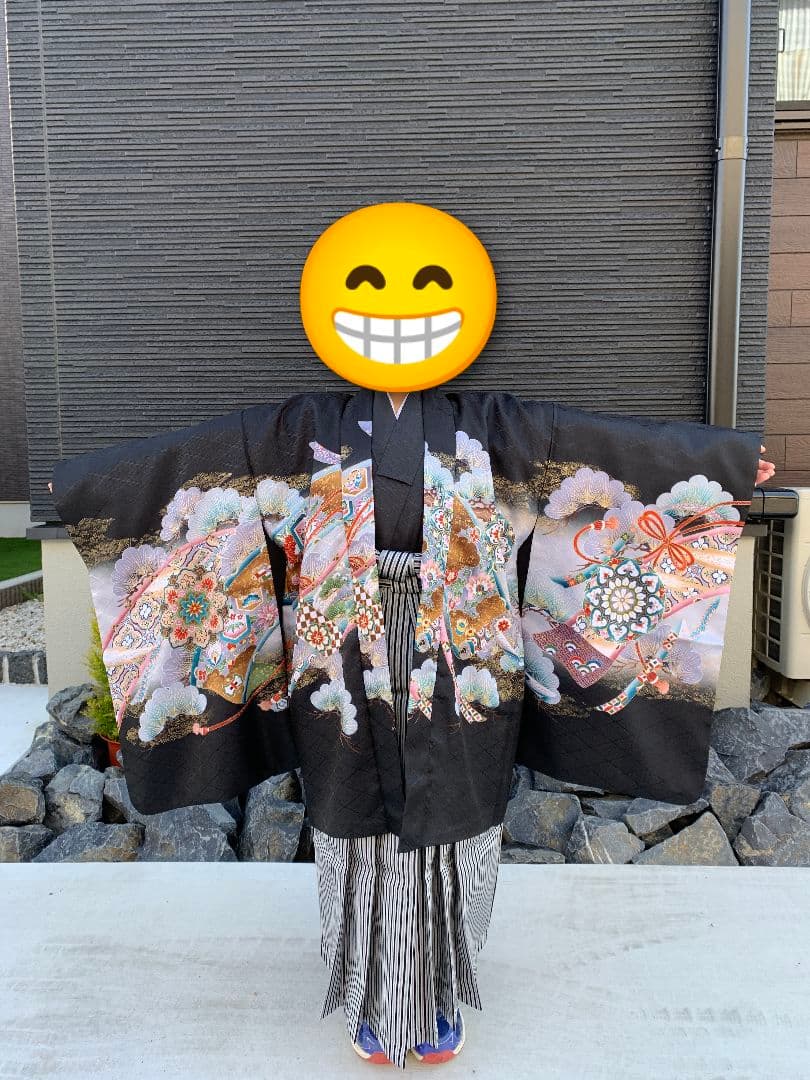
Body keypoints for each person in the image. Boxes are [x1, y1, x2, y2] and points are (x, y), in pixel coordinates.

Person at [50, 203, 775, 1068]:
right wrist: (91, 488)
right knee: (353, 827)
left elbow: (601, 447)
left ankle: (436, 997)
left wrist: (722, 468)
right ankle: (371, 996)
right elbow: (201, 460)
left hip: (459, 658)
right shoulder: (301, 428)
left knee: (456, 822)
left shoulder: (494, 425)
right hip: (342, 658)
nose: (398, 311)